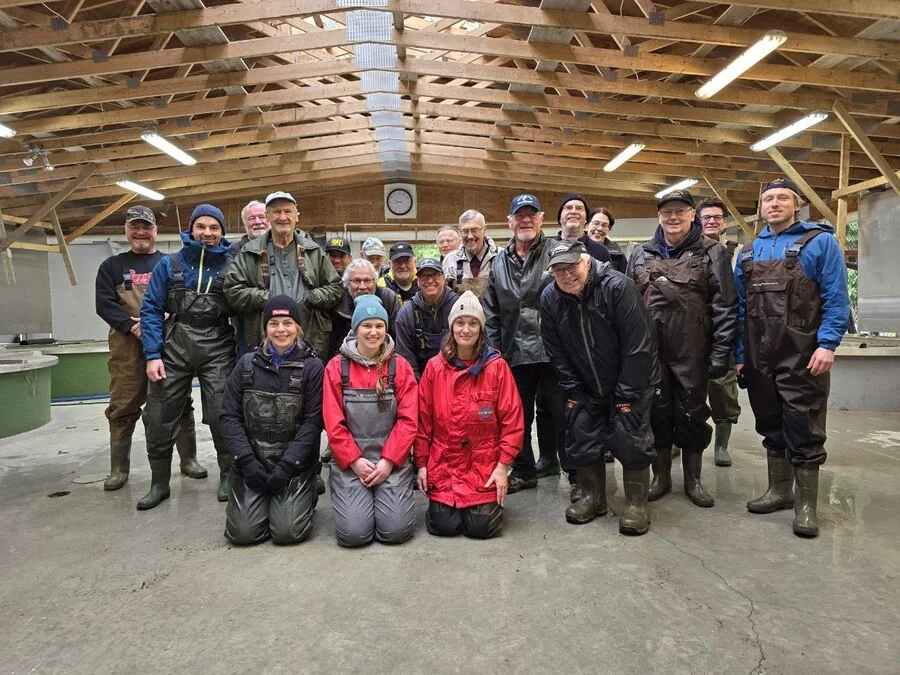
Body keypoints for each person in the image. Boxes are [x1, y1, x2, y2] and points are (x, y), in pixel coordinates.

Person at [736, 178, 849, 538]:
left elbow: (836, 298)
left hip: (803, 354)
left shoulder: (820, 243)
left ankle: (805, 507)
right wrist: (740, 355)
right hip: (759, 356)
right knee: (769, 421)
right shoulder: (749, 251)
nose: (774, 203)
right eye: (768, 198)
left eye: (782, 197)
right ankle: (779, 491)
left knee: (803, 425)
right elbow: (740, 309)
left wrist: (827, 344)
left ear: (796, 204)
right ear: (761, 207)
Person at [627, 189, 737, 508]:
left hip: (694, 351)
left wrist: (721, 352)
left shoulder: (712, 252)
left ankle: (693, 480)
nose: (673, 217)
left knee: (692, 414)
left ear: (692, 215)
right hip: (651, 353)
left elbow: (726, 305)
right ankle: (660, 478)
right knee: (657, 414)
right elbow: (627, 306)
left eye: (680, 211)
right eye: (666, 212)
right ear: (659, 216)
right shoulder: (641, 253)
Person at [541, 240, 659, 534]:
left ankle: (636, 505)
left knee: (631, 439)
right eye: (558, 270)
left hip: (631, 382)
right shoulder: (550, 297)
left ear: (586, 260)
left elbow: (638, 345)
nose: (566, 275)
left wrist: (626, 394)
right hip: (585, 386)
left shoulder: (618, 287)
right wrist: (574, 389)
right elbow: (555, 350)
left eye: (571, 266)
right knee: (582, 435)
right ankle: (593, 498)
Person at [94, 205, 203, 491]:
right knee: (123, 406)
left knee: (179, 402)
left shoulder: (171, 263)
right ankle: (119, 469)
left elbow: (185, 298)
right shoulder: (112, 266)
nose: (140, 232)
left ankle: (188, 459)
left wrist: (160, 318)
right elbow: (104, 304)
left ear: (155, 231)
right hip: (126, 348)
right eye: (135, 227)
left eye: (146, 227)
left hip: (169, 346)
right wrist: (132, 325)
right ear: (126, 231)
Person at [139, 204, 236, 510]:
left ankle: (228, 476)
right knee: (159, 413)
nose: (207, 233)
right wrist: (152, 354)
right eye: (201, 226)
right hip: (174, 346)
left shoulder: (233, 266)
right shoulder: (169, 264)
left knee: (223, 412)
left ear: (222, 232)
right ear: (191, 229)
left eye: (214, 227)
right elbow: (151, 309)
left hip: (218, 345)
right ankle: (159, 483)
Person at [483, 193, 573, 498]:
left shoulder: (556, 251)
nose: (525, 221)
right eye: (519, 216)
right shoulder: (499, 261)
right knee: (516, 417)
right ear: (510, 222)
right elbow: (491, 312)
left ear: (541, 219)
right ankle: (523, 471)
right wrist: (495, 354)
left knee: (564, 415)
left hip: (553, 352)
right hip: (513, 354)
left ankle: (576, 475)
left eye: (531, 215)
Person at [416, 291, 524, 539]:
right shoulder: (434, 368)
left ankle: (484, 506)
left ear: (481, 329)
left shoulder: (497, 368)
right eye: (460, 323)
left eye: (473, 323)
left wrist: (503, 467)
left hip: (483, 464)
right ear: (451, 327)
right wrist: (421, 464)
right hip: (444, 462)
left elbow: (513, 421)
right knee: (444, 526)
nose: (466, 329)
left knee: (481, 528)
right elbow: (423, 421)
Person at [220, 296, 325, 545]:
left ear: (298, 327)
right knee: (243, 534)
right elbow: (228, 416)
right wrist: (247, 461)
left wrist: (288, 466)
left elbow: (313, 423)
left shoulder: (313, 367)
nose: (281, 330)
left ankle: (307, 490)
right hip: (253, 463)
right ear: (265, 327)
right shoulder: (246, 364)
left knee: (287, 532)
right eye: (274, 323)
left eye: (287, 323)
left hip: (293, 467)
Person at [324, 295, 418, 547]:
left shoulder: (400, 367)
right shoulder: (336, 367)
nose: (373, 332)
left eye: (379, 325)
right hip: (350, 464)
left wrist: (388, 461)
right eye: (366, 325)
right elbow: (333, 423)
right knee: (354, 534)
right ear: (356, 329)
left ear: (386, 329)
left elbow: (409, 421)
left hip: (392, 462)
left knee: (395, 532)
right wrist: (354, 461)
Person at [224, 191, 342, 361]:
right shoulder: (249, 252)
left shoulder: (313, 252)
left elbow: (335, 288)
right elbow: (232, 290)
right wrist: (267, 298)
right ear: (268, 217)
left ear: (296, 216)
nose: (282, 217)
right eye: (276, 212)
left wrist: (309, 297)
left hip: (309, 342)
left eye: (287, 211)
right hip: (262, 344)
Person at [697, 197, 743, 467]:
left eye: (717, 217)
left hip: (725, 332)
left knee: (723, 391)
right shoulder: (689, 251)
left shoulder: (737, 252)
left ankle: (722, 445)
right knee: (686, 391)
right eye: (706, 217)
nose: (712, 221)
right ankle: (681, 440)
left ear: (724, 222)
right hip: (693, 333)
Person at [395, 258, 458, 380]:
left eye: (434, 275)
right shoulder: (406, 314)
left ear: (443, 278)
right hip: (420, 381)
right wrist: (419, 387)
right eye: (424, 277)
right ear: (418, 282)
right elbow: (406, 360)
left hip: (455, 379)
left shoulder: (458, 307)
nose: (429, 280)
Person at [327, 258, 401, 360]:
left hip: (383, 359)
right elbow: (332, 343)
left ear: (375, 282)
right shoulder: (338, 300)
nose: (362, 286)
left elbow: (397, 337)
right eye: (356, 281)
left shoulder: (388, 298)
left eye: (367, 280)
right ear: (347, 283)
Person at [442, 210, 499, 299]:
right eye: (465, 231)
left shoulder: (501, 257)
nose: (470, 236)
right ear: (459, 231)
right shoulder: (450, 260)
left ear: (484, 230)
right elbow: (445, 298)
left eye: (474, 230)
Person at [554, 193, 610, 264]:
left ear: (586, 219)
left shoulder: (601, 252)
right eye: (568, 208)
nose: (573, 212)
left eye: (579, 208)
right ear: (560, 218)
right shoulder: (547, 248)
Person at [586, 207, 626, 273]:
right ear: (586, 226)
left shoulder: (618, 255)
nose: (600, 228)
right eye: (596, 223)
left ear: (609, 229)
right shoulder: (576, 248)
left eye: (604, 225)